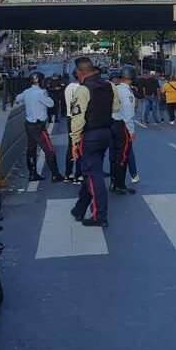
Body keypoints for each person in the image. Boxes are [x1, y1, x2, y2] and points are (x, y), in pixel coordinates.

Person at [70, 57, 121, 227]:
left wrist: (75, 142)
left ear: (80, 72)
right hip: (106, 133)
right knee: (91, 173)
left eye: (76, 72)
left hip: (89, 136)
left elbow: (77, 120)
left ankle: (99, 216)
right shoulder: (110, 85)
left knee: (93, 175)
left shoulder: (82, 90)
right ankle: (79, 208)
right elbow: (116, 108)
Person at [15, 71, 64, 183]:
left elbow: (17, 99)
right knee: (49, 150)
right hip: (38, 126)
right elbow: (51, 104)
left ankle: (32, 174)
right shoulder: (41, 93)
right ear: (41, 81)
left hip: (29, 124)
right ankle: (55, 174)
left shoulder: (27, 92)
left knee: (31, 149)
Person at [109, 66, 138, 193]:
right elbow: (128, 114)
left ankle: (114, 182)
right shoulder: (126, 92)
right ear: (131, 77)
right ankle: (120, 184)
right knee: (123, 156)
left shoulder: (116, 88)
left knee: (115, 156)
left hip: (112, 124)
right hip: (122, 126)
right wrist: (131, 131)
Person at [63, 75, 82, 183]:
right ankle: (78, 175)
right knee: (79, 145)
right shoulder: (81, 88)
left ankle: (68, 173)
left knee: (71, 145)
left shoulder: (68, 87)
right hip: (78, 118)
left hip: (69, 117)